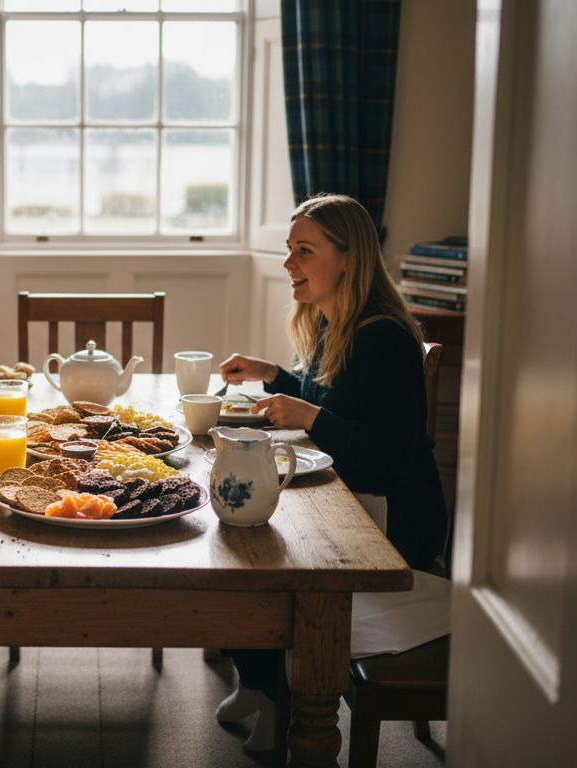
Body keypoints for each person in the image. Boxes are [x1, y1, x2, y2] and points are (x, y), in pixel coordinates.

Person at [214, 193, 447, 752]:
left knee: (258, 550)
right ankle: (260, 682)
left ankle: (279, 696)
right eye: (289, 249)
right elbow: (333, 400)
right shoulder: (334, 320)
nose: (289, 264)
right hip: (355, 491)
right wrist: (276, 376)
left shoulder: (383, 337)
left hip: (394, 519)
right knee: (235, 529)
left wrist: (311, 415)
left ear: (348, 257)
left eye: (304, 251)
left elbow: (391, 455)